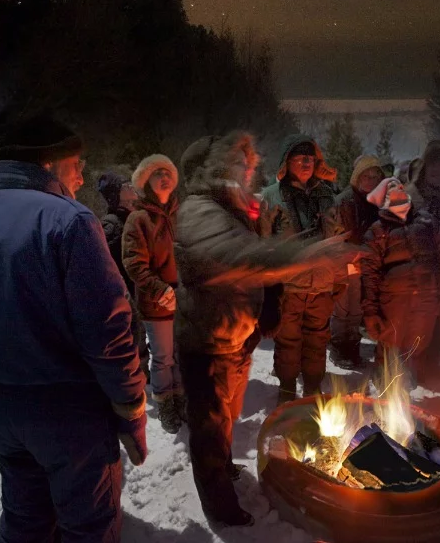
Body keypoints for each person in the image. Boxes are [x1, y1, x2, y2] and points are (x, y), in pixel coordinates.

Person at [0, 112, 146, 543]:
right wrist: (130, 404)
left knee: (25, 522)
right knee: (87, 527)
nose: (82, 174)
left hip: (1, 412)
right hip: (70, 415)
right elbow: (106, 330)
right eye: (76, 163)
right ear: (49, 164)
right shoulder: (70, 221)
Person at [175, 130, 338, 528]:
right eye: (239, 163)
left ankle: (224, 463)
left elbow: (254, 263)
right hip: (206, 339)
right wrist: (307, 255)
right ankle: (219, 504)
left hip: (234, 334)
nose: (247, 171)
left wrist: (266, 308)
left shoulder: (232, 207)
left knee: (227, 415)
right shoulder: (198, 209)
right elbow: (240, 256)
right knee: (209, 426)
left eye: (249, 164)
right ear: (213, 169)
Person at [262, 134, 341, 401]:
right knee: (287, 341)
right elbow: (263, 241)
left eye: (310, 158)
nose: (307, 163)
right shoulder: (272, 196)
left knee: (317, 340)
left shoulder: (327, 195)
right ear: (287, 162)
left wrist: (338, 280)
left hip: (321, 284)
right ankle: (286, 391)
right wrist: (269, 286)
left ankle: (312, 390)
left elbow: (338, 237)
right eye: (300, 158)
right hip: (289, 286)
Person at [361, 177, 440, 386]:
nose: (397, 191)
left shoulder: (428, 222)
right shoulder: (378, 231)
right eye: (390, 189)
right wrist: (370, 310)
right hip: (393, 299)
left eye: (399, 187)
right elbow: (369, 273)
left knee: (419, 341)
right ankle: (385, 387)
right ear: (383, 198)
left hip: (427, 294)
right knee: (390, 343)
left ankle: (410, 386)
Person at [122, 154, 182, 434]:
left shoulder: (180, 215)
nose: (164, 177)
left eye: (168, 172)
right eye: (157, 173)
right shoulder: (138, 219)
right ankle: (166, 402)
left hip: (184, 300)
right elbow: (134, 263)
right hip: (157, 302)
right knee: (163, 357)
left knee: (180, 353)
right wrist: (160, 289)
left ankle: (181, 397)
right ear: (146, 182)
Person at [406, 139, 440, 383]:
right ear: (424, 168)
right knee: (418, 320)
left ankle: (432, 362)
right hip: (419, 267)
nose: (437, 169)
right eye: (432, 164)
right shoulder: (410, 195)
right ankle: (414, 364)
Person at [330, 154, 384, 368]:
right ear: (357, 177)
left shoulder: (376, 201)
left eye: (375, 177)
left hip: (365, 262)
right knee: (344, 307)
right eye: (366, 176)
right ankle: (339, 347)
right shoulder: (345, 201)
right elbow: (339, 233)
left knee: (357, 308)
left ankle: (351, 346)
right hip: (346, 260)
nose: (370, 180)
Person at [97, 168, 138, 290]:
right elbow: (105, 265)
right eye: (125, 185)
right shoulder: (111, 224)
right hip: (127, 292)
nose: (131, 186)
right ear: (115, 194)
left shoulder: (131, 218)